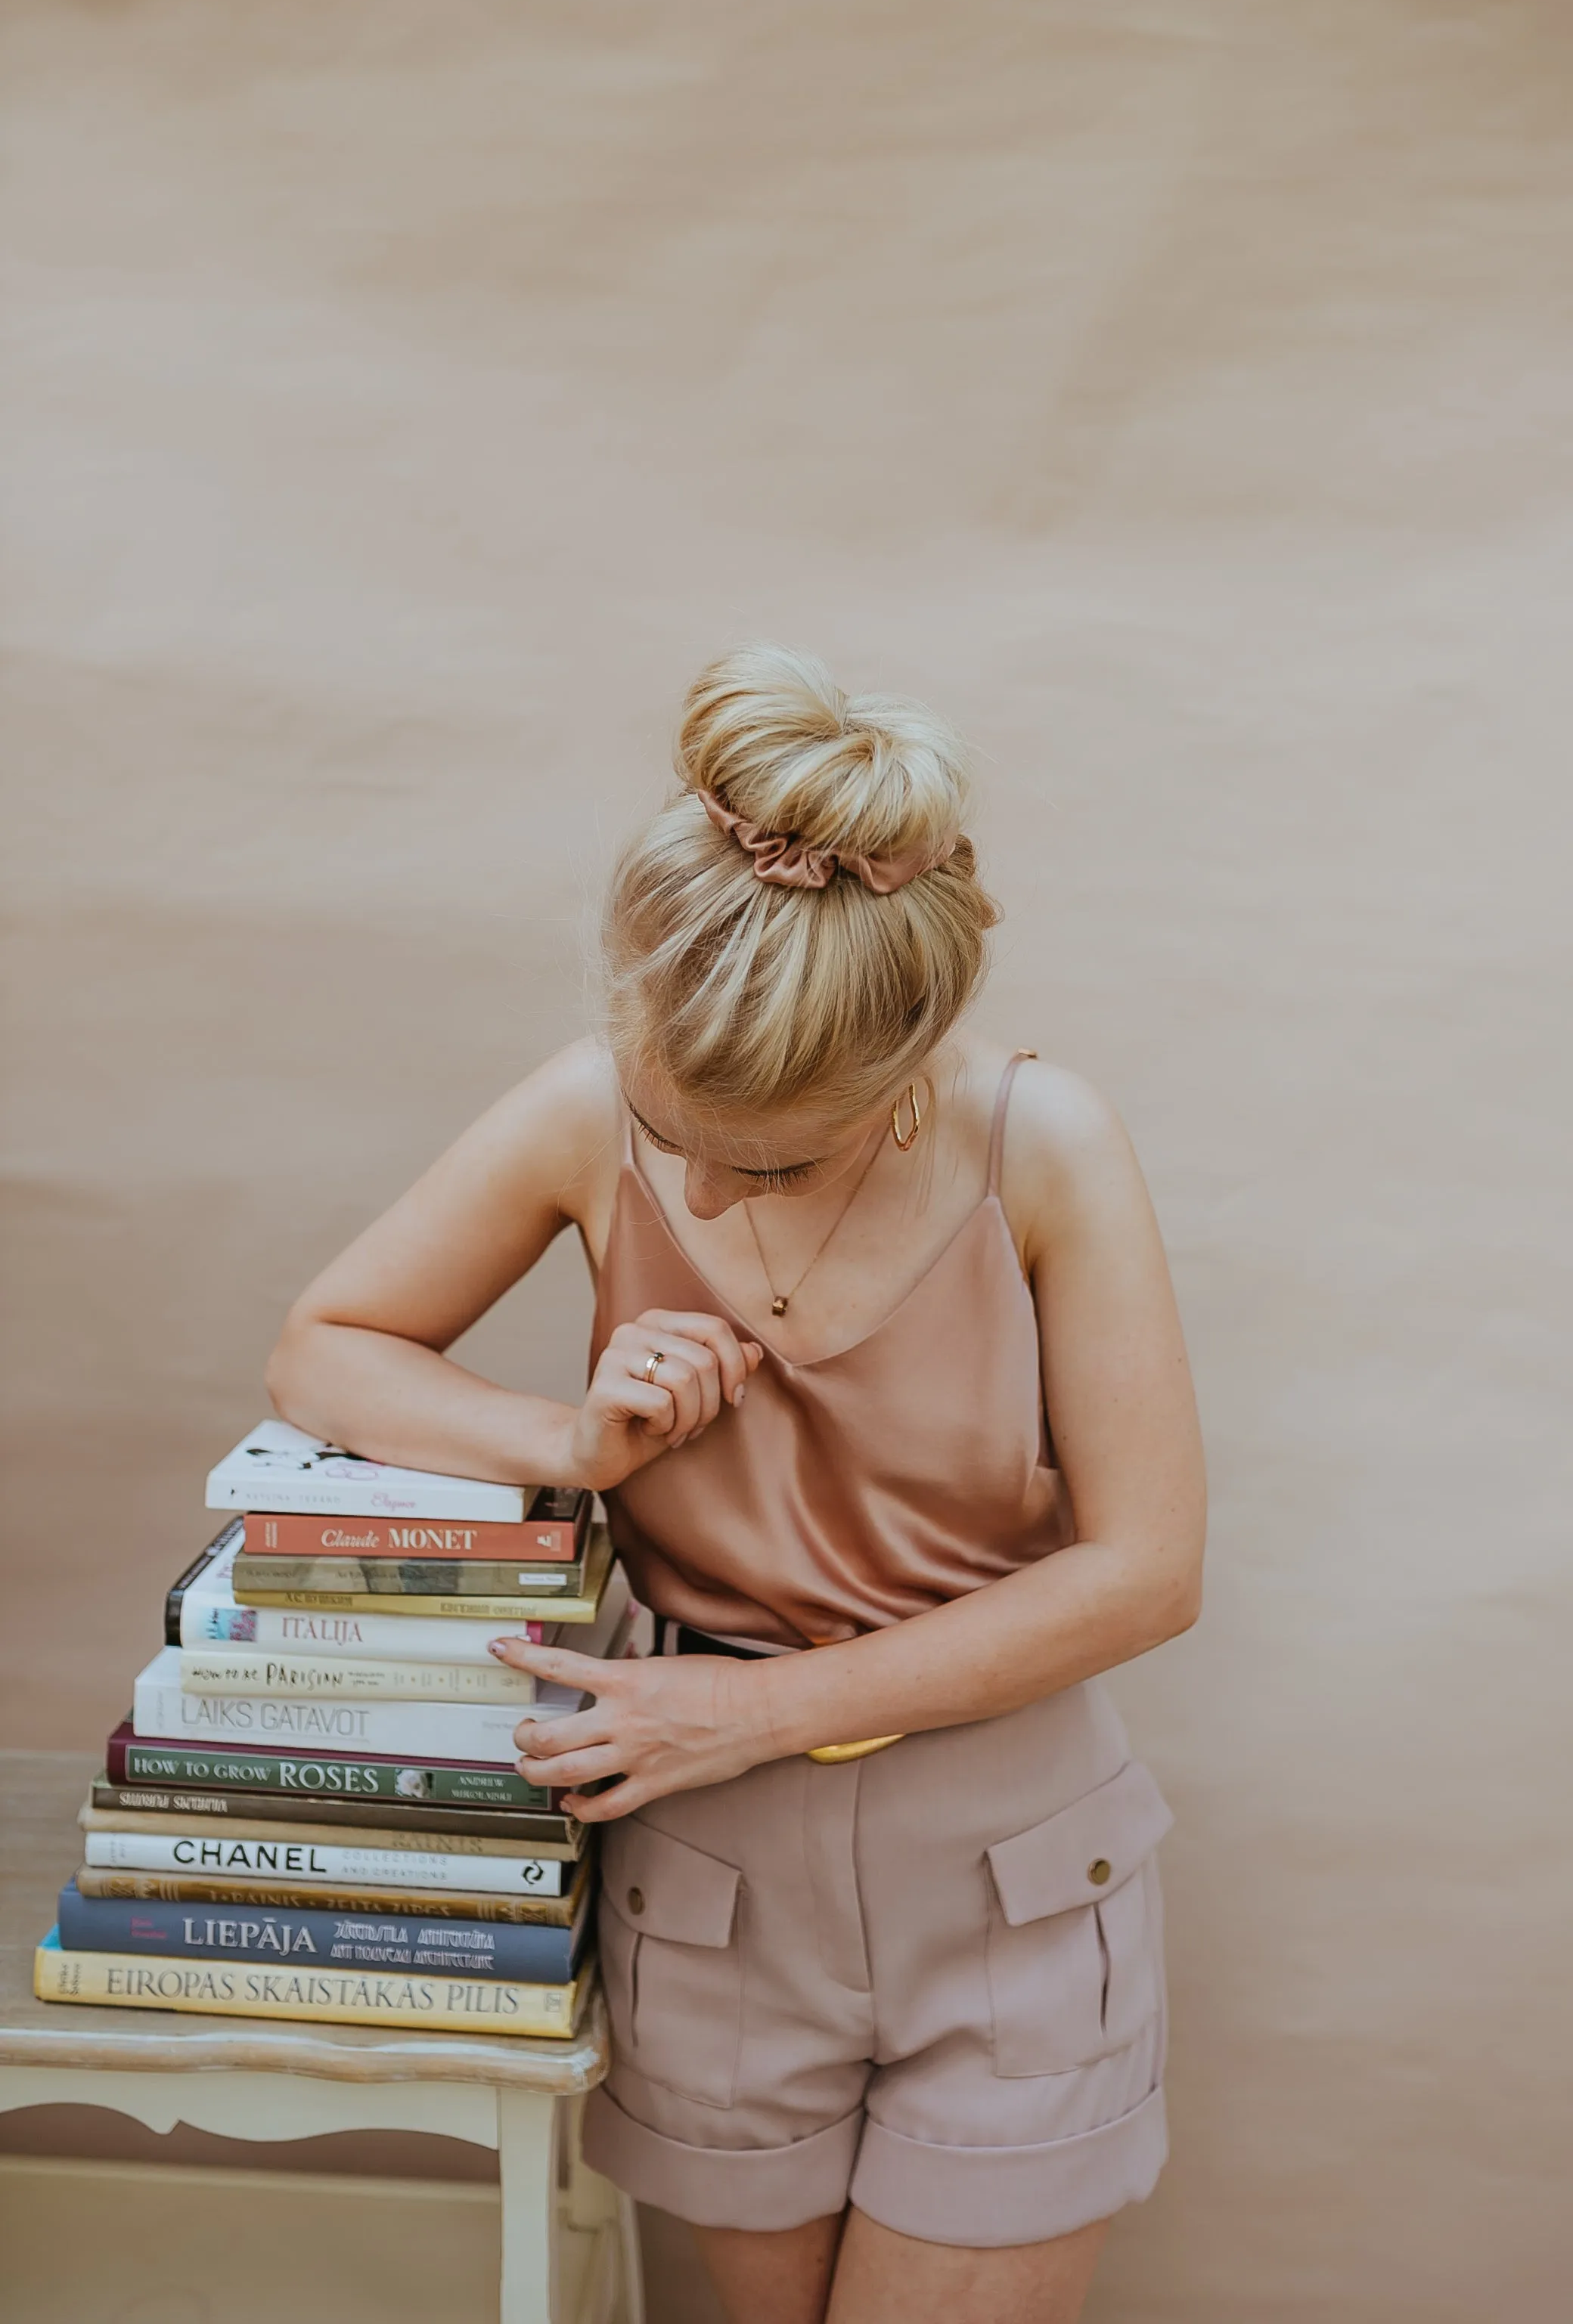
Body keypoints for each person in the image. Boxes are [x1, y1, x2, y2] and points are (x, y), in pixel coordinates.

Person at [267, 645, 1207, 2324]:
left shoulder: (1045, 1143)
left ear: (903, 1068)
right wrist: (570, 1447)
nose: (693, 1181)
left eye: (765, 1156)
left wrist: (758, 1716)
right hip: (706, 1881)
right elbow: (328, 1347)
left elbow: (1144, 1569)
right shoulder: (586, 1101)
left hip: (1003, 1866)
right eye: (664, 1119)